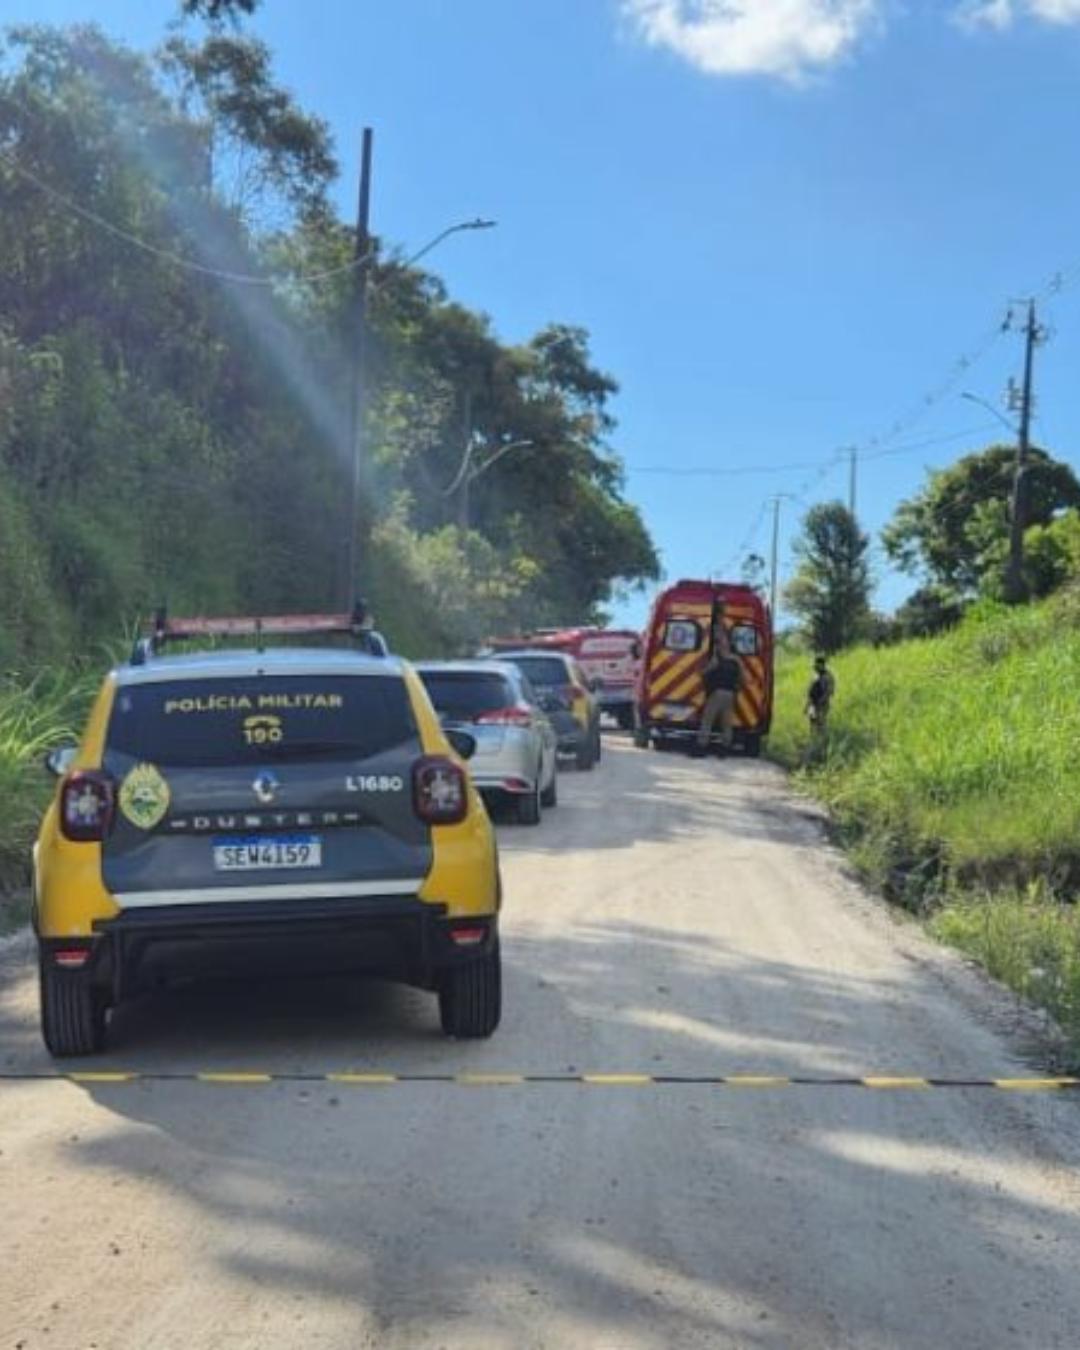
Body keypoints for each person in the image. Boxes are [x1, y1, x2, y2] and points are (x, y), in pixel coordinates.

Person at [691, 625, 741, 757]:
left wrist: (698, 673)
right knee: (726, 723)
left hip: (717, 693)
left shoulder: (717, 658)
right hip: (730, 694)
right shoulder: (737, 660)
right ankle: (724, 750)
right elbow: (743, 678)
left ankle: (701, 748)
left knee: (708, 720)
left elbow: (706, 671)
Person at [805, 655, 835, 732]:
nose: (815, 667)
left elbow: (829, 692)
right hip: (813, 704)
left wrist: (820, 701)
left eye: (817, 665)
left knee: (821, 724)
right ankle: (813, 740)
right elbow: (811, 692)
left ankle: (821, 741)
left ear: (822, 665)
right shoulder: (815, 676)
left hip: (822, 704)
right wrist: (807, 705)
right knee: (812, 722)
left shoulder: (828, 676)